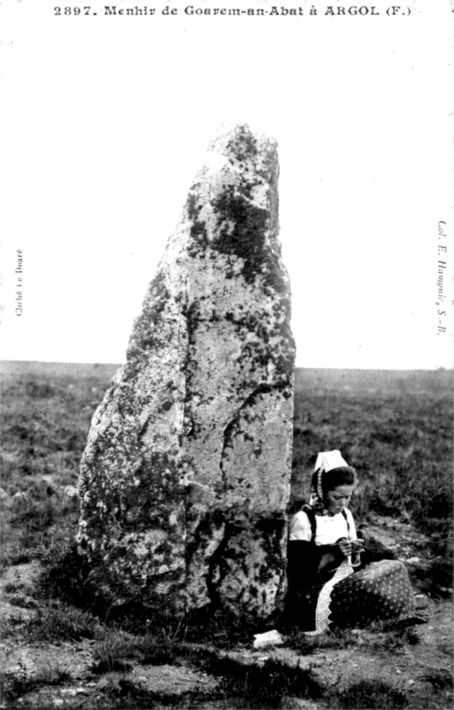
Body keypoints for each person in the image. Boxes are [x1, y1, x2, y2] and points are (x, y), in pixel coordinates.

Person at [286, 450, 419, 634]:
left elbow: (354, 558)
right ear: (321, 491)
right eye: (337, 497)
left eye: (347, 497)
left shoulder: (346, 515)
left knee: (396, 567)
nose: (343, 503)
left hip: (345, 574)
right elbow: (298, 571)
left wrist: (356, 551)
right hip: (317, 589)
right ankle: (377, 621)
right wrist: (333, 554)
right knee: (367, 585)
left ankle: (399, 616)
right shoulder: (304, 519)